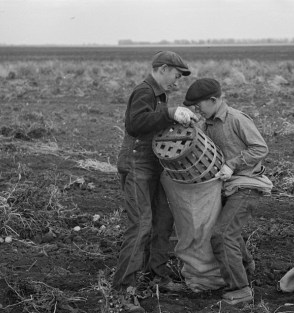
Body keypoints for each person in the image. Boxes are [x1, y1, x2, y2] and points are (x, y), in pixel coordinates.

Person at [113, 51, 198, 312]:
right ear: (161, 69)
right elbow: (135, 124)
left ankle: (156, 275)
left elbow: (156, 127)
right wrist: (170, 113)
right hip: (138, 165)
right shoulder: (145, 91)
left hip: (153, 165)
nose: (177, 80)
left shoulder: (159, 95)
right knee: (141, 225)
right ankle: (122, 291)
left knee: (163, 219)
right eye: (176, 74)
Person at [183, 78, 273, 305]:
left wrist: (232, 163)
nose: (197, 110)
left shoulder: (236, 119)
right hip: (229, 187)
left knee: (222, 235)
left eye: (199, 106)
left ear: (213, 100)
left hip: (247, 185)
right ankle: (246, 267)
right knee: (228, 229)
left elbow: (260, 148)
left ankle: (241, 290)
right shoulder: (206, 124)